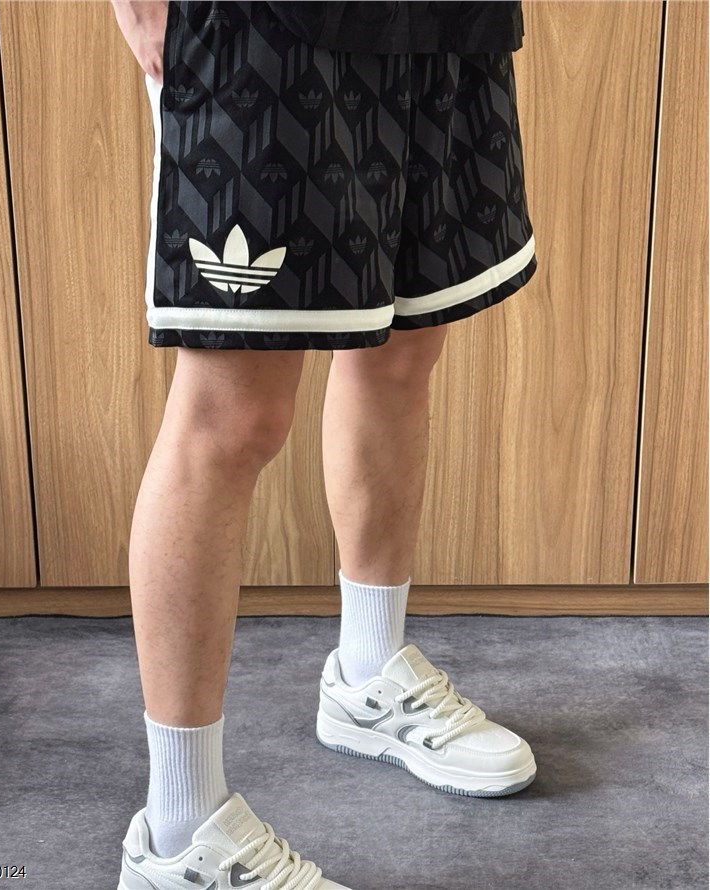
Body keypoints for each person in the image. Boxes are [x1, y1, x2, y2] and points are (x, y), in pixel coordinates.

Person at [110, 2, 538, 887]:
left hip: (445, 20)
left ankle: (370, 677)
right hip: (266, 23)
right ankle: (179, 835)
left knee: (402, 347)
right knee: (232, 416)